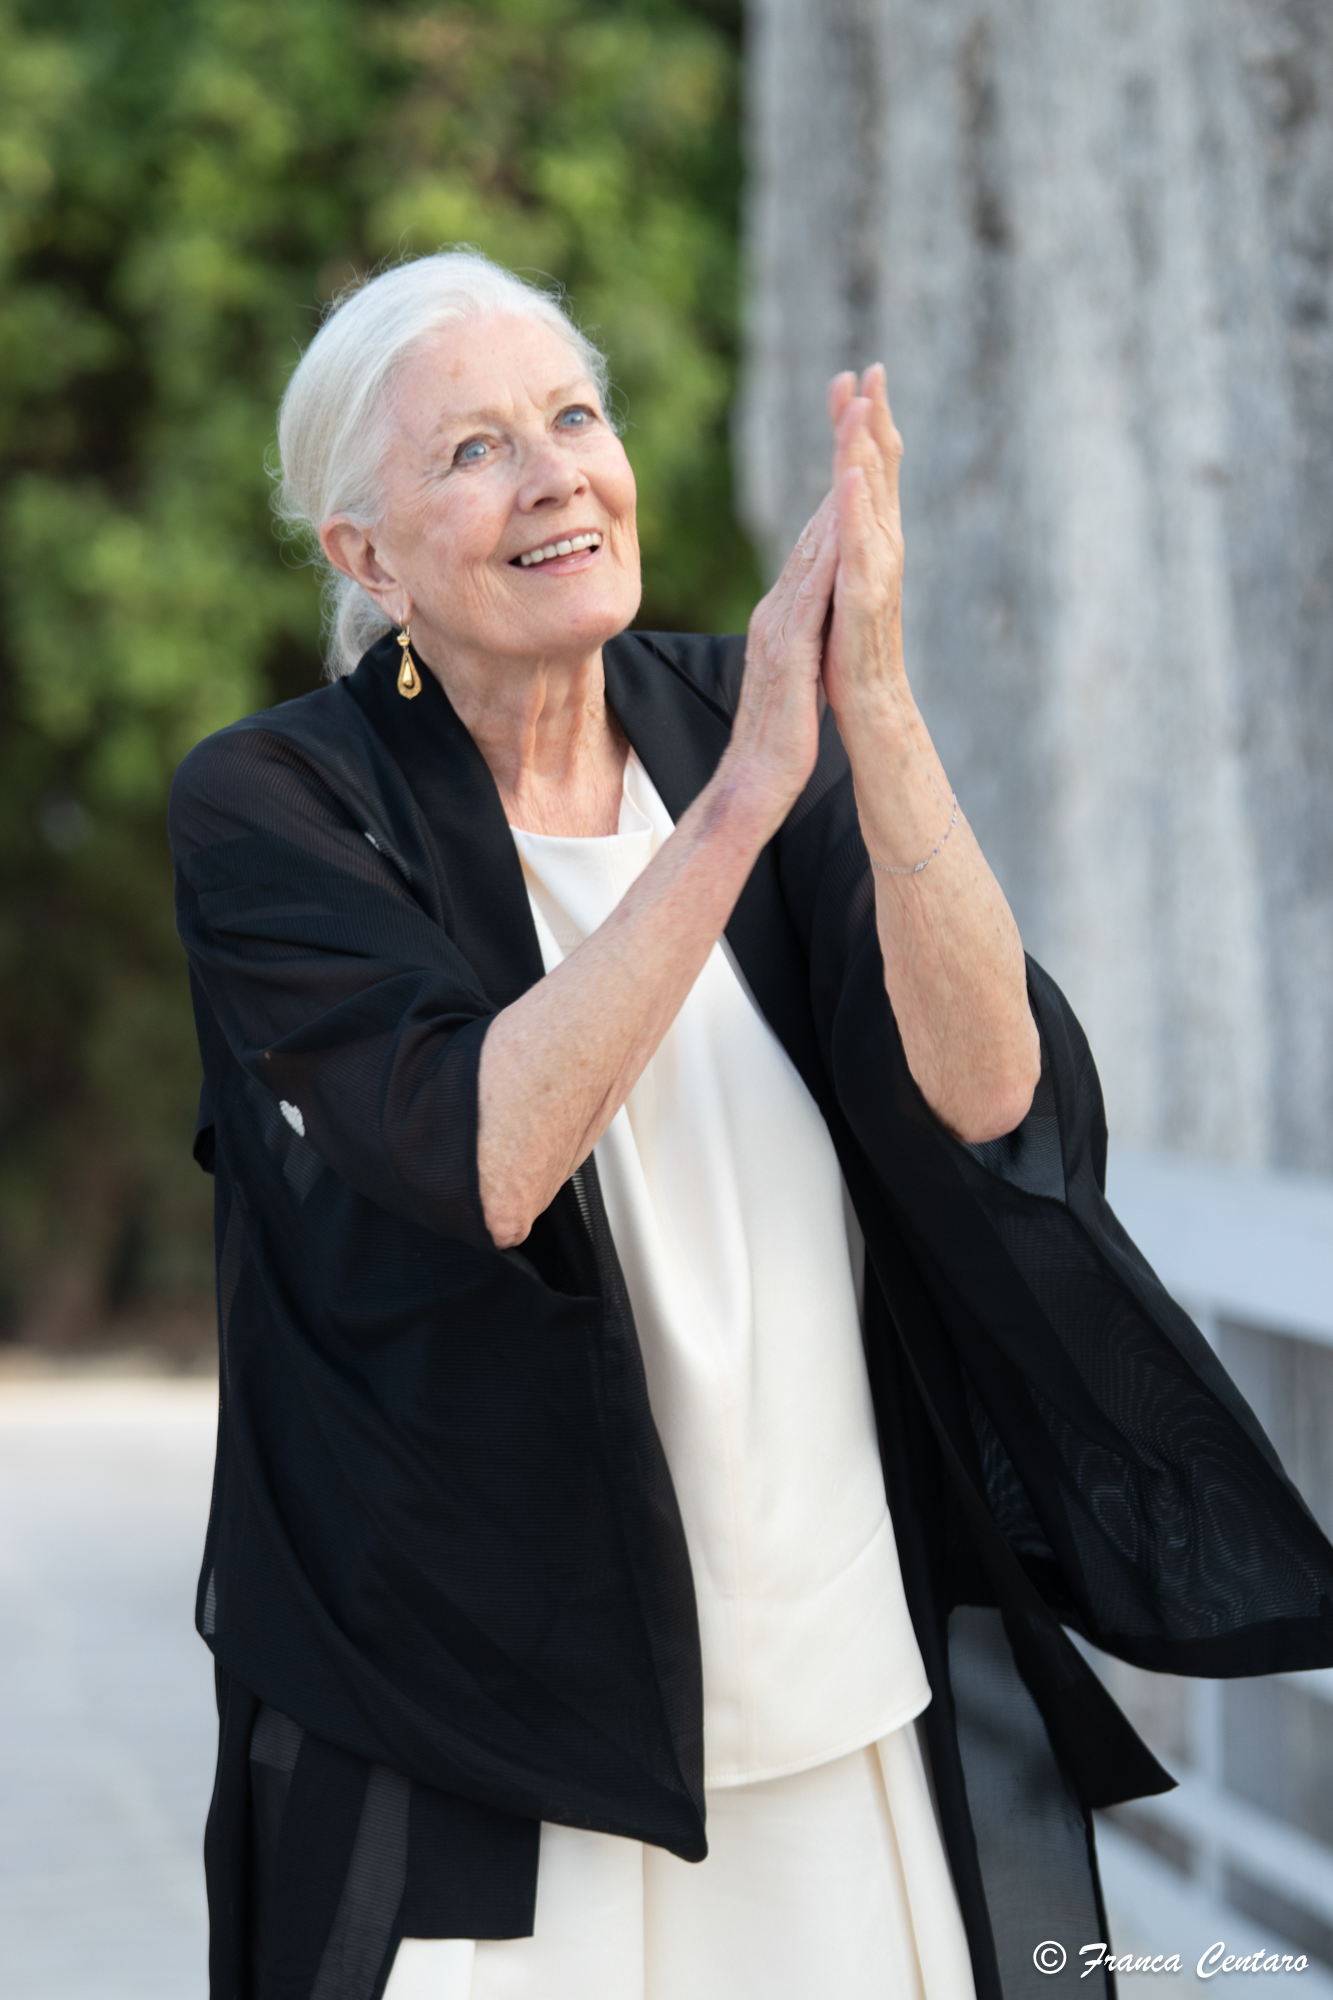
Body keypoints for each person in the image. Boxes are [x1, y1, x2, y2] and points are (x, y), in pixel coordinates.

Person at [170, 251, 1333, 2000]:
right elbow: (473, 1157)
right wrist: (740, 806)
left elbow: (991, 1099)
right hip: (489, 1730)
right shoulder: (283, 803)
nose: (557, 469)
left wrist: (874, 713)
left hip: (836, 1687)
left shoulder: (752, 716)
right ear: (366, 556)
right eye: (474, 449)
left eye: (574, 415)